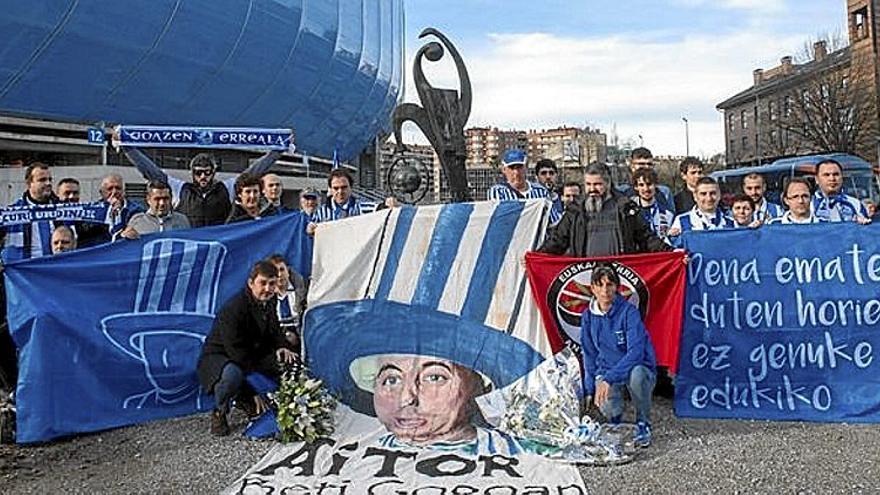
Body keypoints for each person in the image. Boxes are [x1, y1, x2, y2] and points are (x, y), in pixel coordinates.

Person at [197, 261, 298, 436]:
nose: (267, 288)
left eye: (272, 283)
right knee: (232, 375)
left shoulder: (270, 299)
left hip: (251, 352)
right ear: (251, 283)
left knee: (290, 360)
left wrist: (282, 346)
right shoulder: (233, 309)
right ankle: (220, 411)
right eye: (263, 283)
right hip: (222, 356)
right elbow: (238, 355)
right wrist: (251, 392)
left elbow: (274, 328)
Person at [117, 136, 282, 227]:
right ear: (192, 173)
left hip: (219, 243)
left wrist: (277, 152)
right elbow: (152, 173)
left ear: (213, 172)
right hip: (192, 244)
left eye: (207, 173)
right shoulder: (181, 188)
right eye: (198, 173)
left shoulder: (225, 187)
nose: (203, 177)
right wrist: (128, 148)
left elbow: (253, 173)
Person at [580, 264, 656, 448]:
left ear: (617, 287)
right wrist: (590, 389)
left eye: (610, 285)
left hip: (635, 368)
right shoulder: (588, 316)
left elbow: (636, 353)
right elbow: (589, 354)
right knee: (607, 408)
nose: (605, 290)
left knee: (638, 375)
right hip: (607, 371)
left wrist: (608, 378)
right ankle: (615, 421)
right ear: (593, 288)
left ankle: (643, 423)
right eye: (600, 285)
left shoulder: (629, 312)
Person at [539, 163, 670, 257]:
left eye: (597, 184)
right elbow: (558, 241)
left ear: (607, 183)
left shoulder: (625, 208)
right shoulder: (575, 210)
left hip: (620, 278)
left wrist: (671, 252)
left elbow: (646, 238)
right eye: (588, 184)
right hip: (583, 277)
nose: (592, 189)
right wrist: (537, 256)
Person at [1, 162, 61, 262]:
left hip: (55, 272)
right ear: (29, 184)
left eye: (50, 179)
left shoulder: (64, 210)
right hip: (24, 275)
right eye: (42, 180)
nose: (48, 183)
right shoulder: (11, 214)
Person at [309, 169, 395, 233]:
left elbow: (379, 208)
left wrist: (388, 203)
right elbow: (311, 227)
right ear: (330, 189)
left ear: (351, 188)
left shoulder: (360, 207)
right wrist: (310, 229)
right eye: (336, 188)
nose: (340, 192)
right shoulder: (321, 212)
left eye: (344, 187)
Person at [487, 149, 562, 224]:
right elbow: (500, 220)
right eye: (511, 168)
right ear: (504, 169)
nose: (516, 172)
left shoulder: (540, 191)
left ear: (526, 167)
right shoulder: (498, 191)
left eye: (519, 167)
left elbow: (554, 220)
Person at [78, 173, 145, 247]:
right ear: (102, 192)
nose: (114, 192)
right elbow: (84, 231)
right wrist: (108, 212)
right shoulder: (93, 210)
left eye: (118, 188)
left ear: (124, 191)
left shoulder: (136, 209)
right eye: (110, 189)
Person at [668, 177, 734, 245]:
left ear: (719, 195)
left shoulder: (731, 223)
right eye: (703, 194)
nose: (709, 198)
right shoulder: (682, 221)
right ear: (695, 196)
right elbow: (673, 249)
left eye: (713, 193)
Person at [119, 181, 191, 239]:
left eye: (166, 198)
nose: (162, 203)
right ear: (148, 200)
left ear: (171, 199)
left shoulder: (182, 220)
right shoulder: (137, 220)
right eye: (157, 199)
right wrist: (125, 236)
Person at [266, 254, 308, 351]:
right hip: (279, 344)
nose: (280, 275)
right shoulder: (268, 297)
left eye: (282, 269)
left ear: (288, 271)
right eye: (275, 271)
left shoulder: (303, 291)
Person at [811, 159, 870, 224]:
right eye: (826, 175)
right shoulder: (809, 205)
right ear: (816, 179)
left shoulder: (855, 204)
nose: (832, 179)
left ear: (842, 177)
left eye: (836, 174)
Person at [617, 147, 675, 213]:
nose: (646, 167)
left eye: (649, 164)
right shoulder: (621, 192)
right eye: (641, 164)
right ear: (632, 166)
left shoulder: (664, 192)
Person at [630, 168, 675, 240]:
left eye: (649, 184)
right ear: (636, 187)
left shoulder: (668, 214)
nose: (646, 189)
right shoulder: (629, 213)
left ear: (655, 185)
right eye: (641, 185)